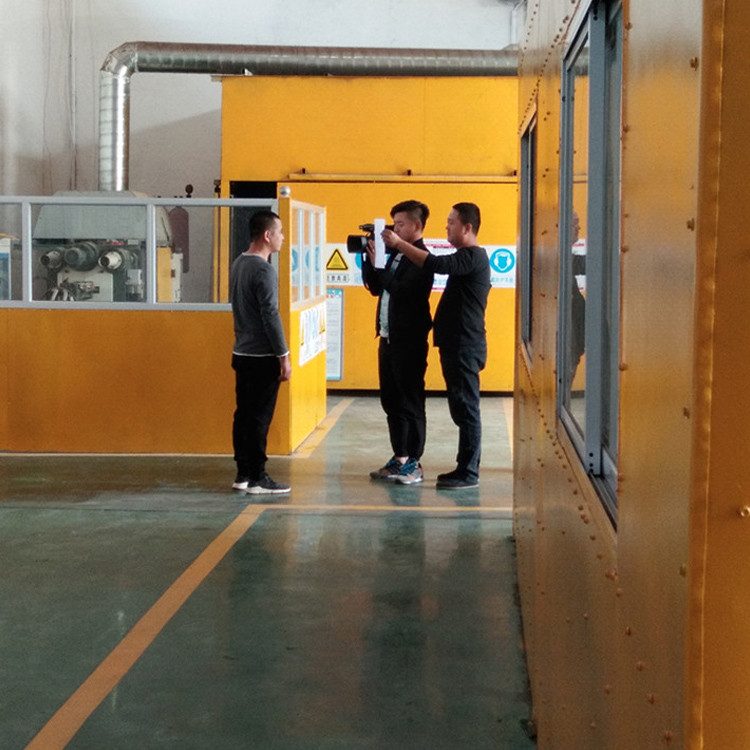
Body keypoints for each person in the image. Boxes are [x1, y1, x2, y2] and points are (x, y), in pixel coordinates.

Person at [381, 202, 490, 490]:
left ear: (467, 227)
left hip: (465, 346)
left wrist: (399, 244)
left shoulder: (473, 257)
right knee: (460, 408)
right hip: (455, 345)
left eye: (452, 222)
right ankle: (463, 468)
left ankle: (469, 471)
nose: (447, 226)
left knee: (466, 409)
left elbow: (437, 264)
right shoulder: (466, 257)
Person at [362, 200, 434, 485]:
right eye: (394, 224)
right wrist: (371, 260)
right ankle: (400, 456)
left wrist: (382, 270)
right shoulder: (396, 256)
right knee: (391, 400)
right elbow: (376, 287)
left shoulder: (422, 258)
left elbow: (403, 292)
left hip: (409, 340)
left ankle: (414, 462)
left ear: (416, 226)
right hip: (388, 338)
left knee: (411, 400)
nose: (395, 230)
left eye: (400, 225)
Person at [230, 209, 292, 495]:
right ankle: (258, 477)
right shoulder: (263, 270)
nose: (282, 237)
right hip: (261, 357)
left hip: (242, 353)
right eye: (279, 232)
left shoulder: (239, 263)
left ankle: (243, 473)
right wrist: (283, 355)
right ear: (267, 235)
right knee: (259, 418)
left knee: (243, 415)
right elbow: (270, 315)